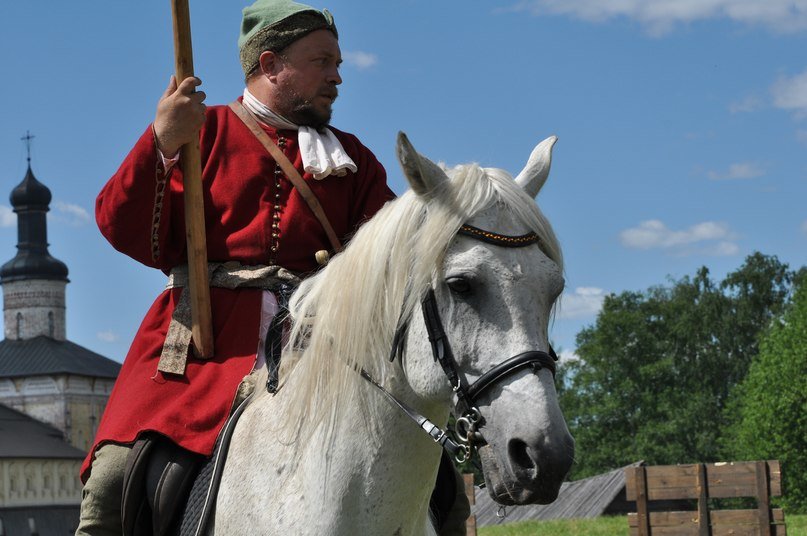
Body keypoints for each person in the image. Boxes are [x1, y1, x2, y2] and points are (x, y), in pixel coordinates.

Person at [77, 1, 468, 534]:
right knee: (113, 478)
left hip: (323, 346)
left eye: (339, 63)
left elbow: (398, 261)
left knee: (440, 478)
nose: (337, 76)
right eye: (322, 61)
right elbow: (117, 223)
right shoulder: (202, 133)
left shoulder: (354, 159)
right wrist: (163, 143)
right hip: (206, 346)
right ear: (270, 64)